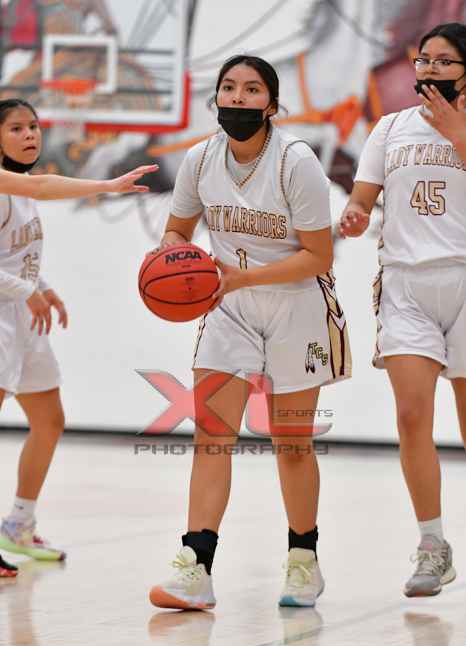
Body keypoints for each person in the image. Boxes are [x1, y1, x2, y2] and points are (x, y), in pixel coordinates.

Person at [149, 55, 351, 610]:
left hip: (296, 305)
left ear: (272, 104)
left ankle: (303, 559)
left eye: (252, 89)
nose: (238, 97)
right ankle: (195, 567)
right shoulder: (199, 158)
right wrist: (170, 254)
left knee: (292, 444)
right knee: (211, 435)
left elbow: (319, 256)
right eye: (229, 87)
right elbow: (176, 229)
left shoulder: (296, 161)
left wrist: (242, 277)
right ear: (217, 97)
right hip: (229, 306)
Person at [0, 97, 156, 577]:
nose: (30, 134)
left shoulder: (19, 188)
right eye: (16, 128)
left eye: (33, 126)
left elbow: (13, 253)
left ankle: (18, 525)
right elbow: (45, 185)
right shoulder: (11, 186)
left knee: (49, 420)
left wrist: (41, 286)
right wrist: (108, 184)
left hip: (24, 320)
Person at [340, 22, 466, 597]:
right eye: (424, 60)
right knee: (413, 417)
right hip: (406, 286)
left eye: (444, 60)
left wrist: (457, 131)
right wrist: (355, 215)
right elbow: (362, 198)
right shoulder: (390, 127)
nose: (430, 69)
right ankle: (433, 546)